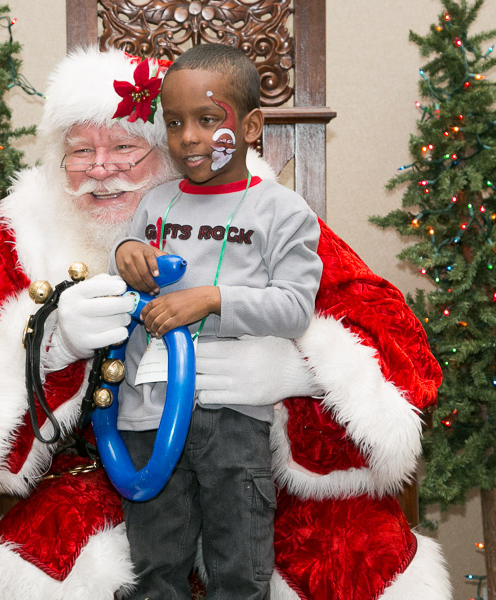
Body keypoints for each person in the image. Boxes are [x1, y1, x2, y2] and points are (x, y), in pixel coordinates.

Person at [0, 46, 451, 600]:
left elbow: (391, 332)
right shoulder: (29, 232)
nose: (101, 168)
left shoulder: (268, 208)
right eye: (81, 150)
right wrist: (49, 342)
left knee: (350, 553)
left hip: (248, 449)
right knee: (39, 561)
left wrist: (298, 373)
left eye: (124, 147)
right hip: (111, 463)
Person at [110, 43, 322, 599]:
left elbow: (295, 308)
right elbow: (122, 293)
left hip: (231, 419)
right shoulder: (153, 205)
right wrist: (125, 253)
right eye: (174, 122)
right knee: (153, 573)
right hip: (147, 415)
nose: (188, 138)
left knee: (239, 573)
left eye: (208, 120)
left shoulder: (283, 211)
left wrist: (210, 300)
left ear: (250, 126)